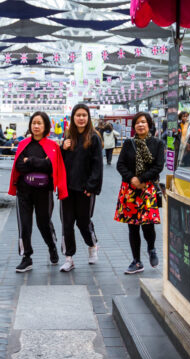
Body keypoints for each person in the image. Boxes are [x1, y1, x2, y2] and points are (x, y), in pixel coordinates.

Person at [8, 111, 68, 273]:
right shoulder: (23, 144)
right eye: (34, 123)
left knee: (43, 223)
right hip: (24, 191)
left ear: (46, 126)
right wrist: (41, 163)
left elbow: (51, 167)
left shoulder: (53, 146)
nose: (36, 126)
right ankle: (26, 257)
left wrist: (31, 161)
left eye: (39, 123)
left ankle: (52, 247)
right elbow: (19, 166)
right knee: (25, 225)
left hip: (44, 192)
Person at [115, 111, 166, 274]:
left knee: (147, 225)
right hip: (129, 190)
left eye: (143, 122)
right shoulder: (129, 144)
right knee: (133, 227)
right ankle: (136, 261)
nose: (140, 125)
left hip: (147, 189)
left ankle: (151, 248)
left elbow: (158, 166)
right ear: (134, 126)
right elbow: (120, 165)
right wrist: (132, 179)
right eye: (137, 122)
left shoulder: (157, 144)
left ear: (149, 124)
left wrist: (142, 179)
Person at [59, 103, 104, 272]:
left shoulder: (93, 138)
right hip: (67, 189)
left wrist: (91, 186)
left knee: (83, 222)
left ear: (88, 118)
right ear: (73, 117)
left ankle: (92, 245)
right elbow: (60, 163)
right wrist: (62, 149)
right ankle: (69, 257)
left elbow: (97, 165)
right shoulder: (68, 137)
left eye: (84, 115)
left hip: (85, 189)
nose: (81, 118)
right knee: (67, 223)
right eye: (78, 115)